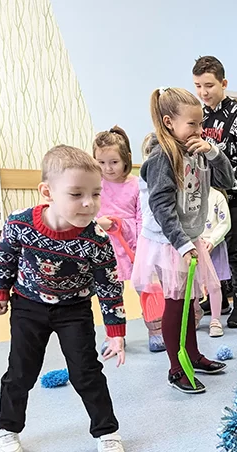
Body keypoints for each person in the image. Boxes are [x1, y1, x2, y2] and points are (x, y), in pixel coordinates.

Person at [0, 145, 127, 452]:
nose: (88, 203)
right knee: (20, 372)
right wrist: (0, 291)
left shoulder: (96, 239)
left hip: (74, 310)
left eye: (95, 194)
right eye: (77, 194)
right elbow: (6, 256)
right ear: (47, 192)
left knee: (86, 372)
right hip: (28, 306)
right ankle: (7, 429)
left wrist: (116, 332)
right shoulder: (20, 224)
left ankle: (107, 432)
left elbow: (109, 285)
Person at [133, 87, 234, 394]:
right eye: (191, 124)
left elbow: (229, 182)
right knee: (176, 304)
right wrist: (183, 244)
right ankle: (176, 368)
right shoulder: (162, 157)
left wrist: (213, 153)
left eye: (200, 123)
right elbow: (161, 207)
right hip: (168, 241)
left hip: (191, 235)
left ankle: (192, 355)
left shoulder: (198, 152)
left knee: (189, 301)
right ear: (168, 122)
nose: (198, 130)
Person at [194, 56, 237, 328]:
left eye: (209, 85)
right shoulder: (198, 116)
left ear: (223, 83)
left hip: (234, 198)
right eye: (198, 85)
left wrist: (227, 184)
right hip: (204, 201)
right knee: (209, 250)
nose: (203, 92)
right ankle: (217, 299)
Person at [93, 126, 164, 353]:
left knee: (147, 289)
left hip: (133, 245)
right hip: (104, 246)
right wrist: (99, 222)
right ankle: (115, 336)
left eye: (113, 162)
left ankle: (156, 330)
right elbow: (87, 211)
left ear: (126, 159)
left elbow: (143, 216)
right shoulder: (95, 185)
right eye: (101, 162)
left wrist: (143, 246)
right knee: (109, 292)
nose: (107, 168)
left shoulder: (136, 184)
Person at [201, 187, 230, 338]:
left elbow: (225, 222)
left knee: (214, 285)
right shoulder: (185, 194)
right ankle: (194, 315)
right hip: (192, 247)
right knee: (191, 286)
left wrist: (212, 241)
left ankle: (215, 320)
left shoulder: (217, 196)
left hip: (215, 246)